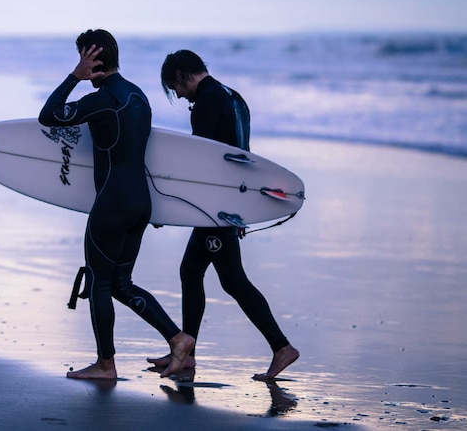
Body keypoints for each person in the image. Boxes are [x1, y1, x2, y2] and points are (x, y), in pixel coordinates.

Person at [39, 29, 195, 380]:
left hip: (112, 203)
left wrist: (74, 78)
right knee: (121, 283)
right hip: (140, 201)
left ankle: (105, 364)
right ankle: (178, 337)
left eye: (82, 58)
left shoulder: (104, 99)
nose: (79, 64)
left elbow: (48, 116)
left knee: (99, 283)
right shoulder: (138, 96)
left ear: (90, 59)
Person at [147, 50, 299, 381]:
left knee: (233, 280)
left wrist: (167, 207)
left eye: (175, 88)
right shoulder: (232, 97)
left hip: (214, 208)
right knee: (190, 271)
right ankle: (186, 353)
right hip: (228, 203)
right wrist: (241, 208)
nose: (179, 96)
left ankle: (281, 347)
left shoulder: (206, 102)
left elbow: (200, 164)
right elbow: (241, 154)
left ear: (181, 75)